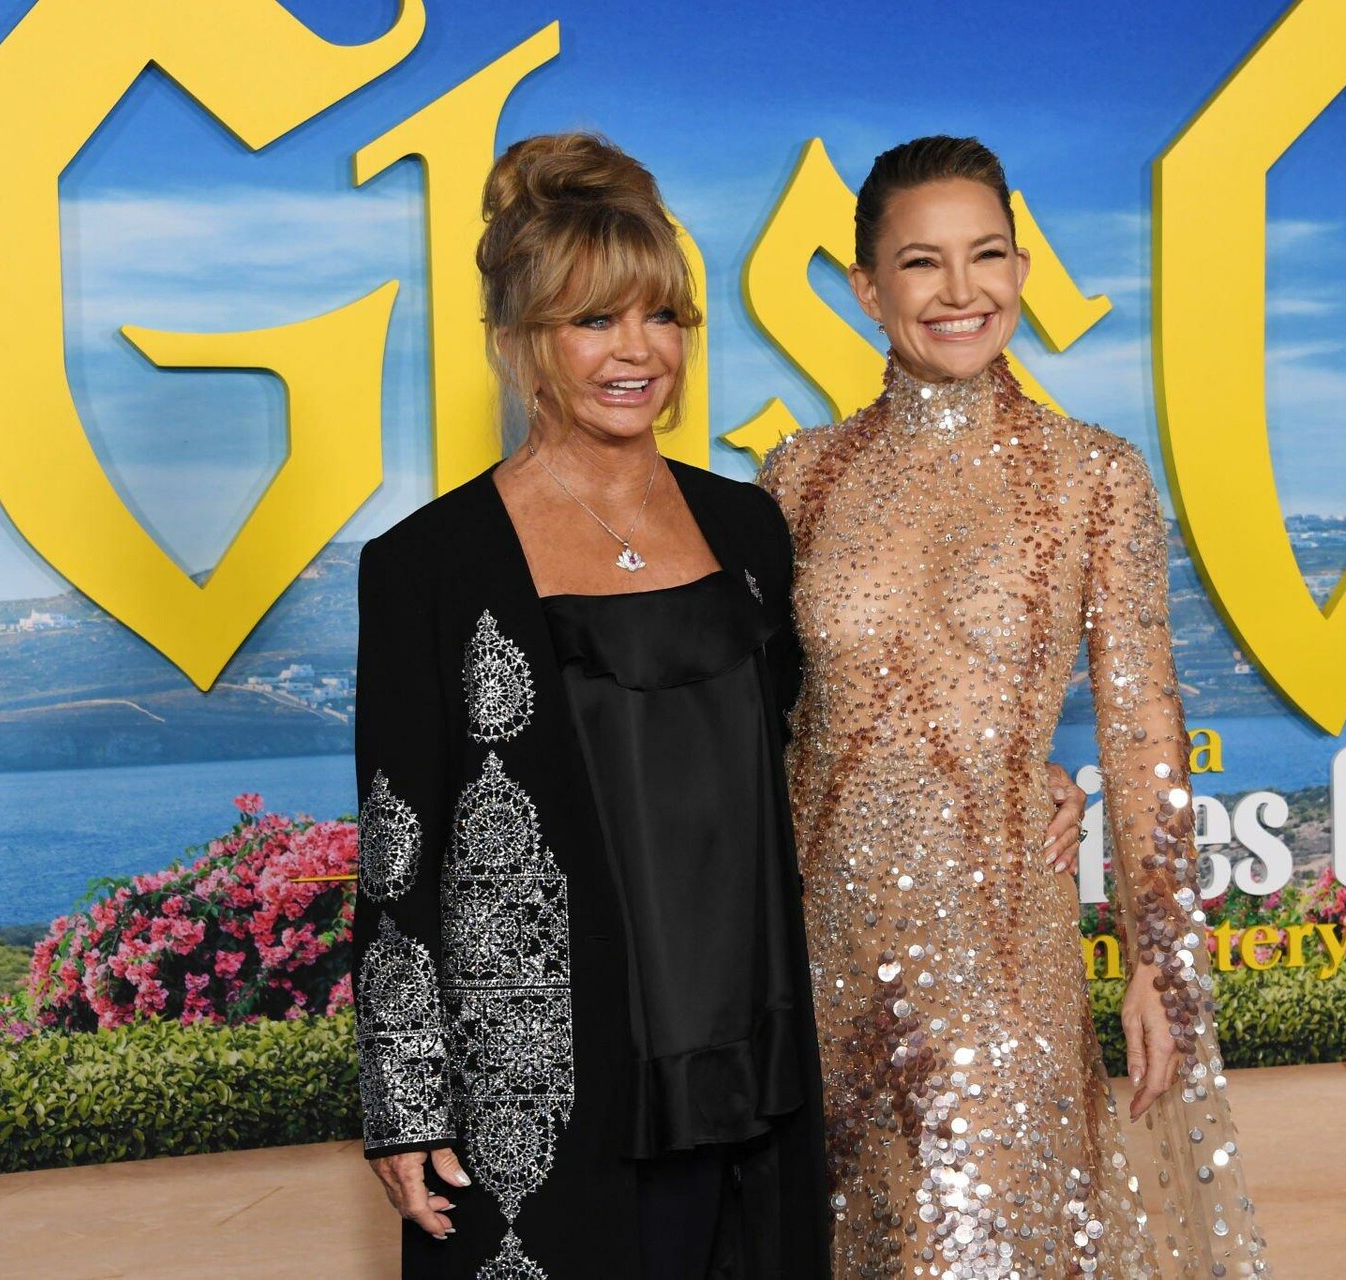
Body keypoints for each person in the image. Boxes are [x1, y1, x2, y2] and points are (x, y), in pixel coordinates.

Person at [349, 131, 1089, 1278]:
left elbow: (829, 729)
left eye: (663, 316)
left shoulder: (748, 530)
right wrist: (404, 1101)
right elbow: (398, 849)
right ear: (520, 342)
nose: (636, 351)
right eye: (593, 319)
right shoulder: (428, 565)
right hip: (546, 1084)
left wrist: (1005, 768)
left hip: (758, 1062)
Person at [759, 136, 1272, 1278]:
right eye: (922, 262)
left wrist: (1159, 962)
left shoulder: (1095, 477)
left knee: (989, 1242)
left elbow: (1142, 731)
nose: (961, 290)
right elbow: (760, 718)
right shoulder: (798, 479)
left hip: (1002, 954)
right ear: (867, 289)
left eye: (986, 255)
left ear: (1023, 270)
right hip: (818, 958)